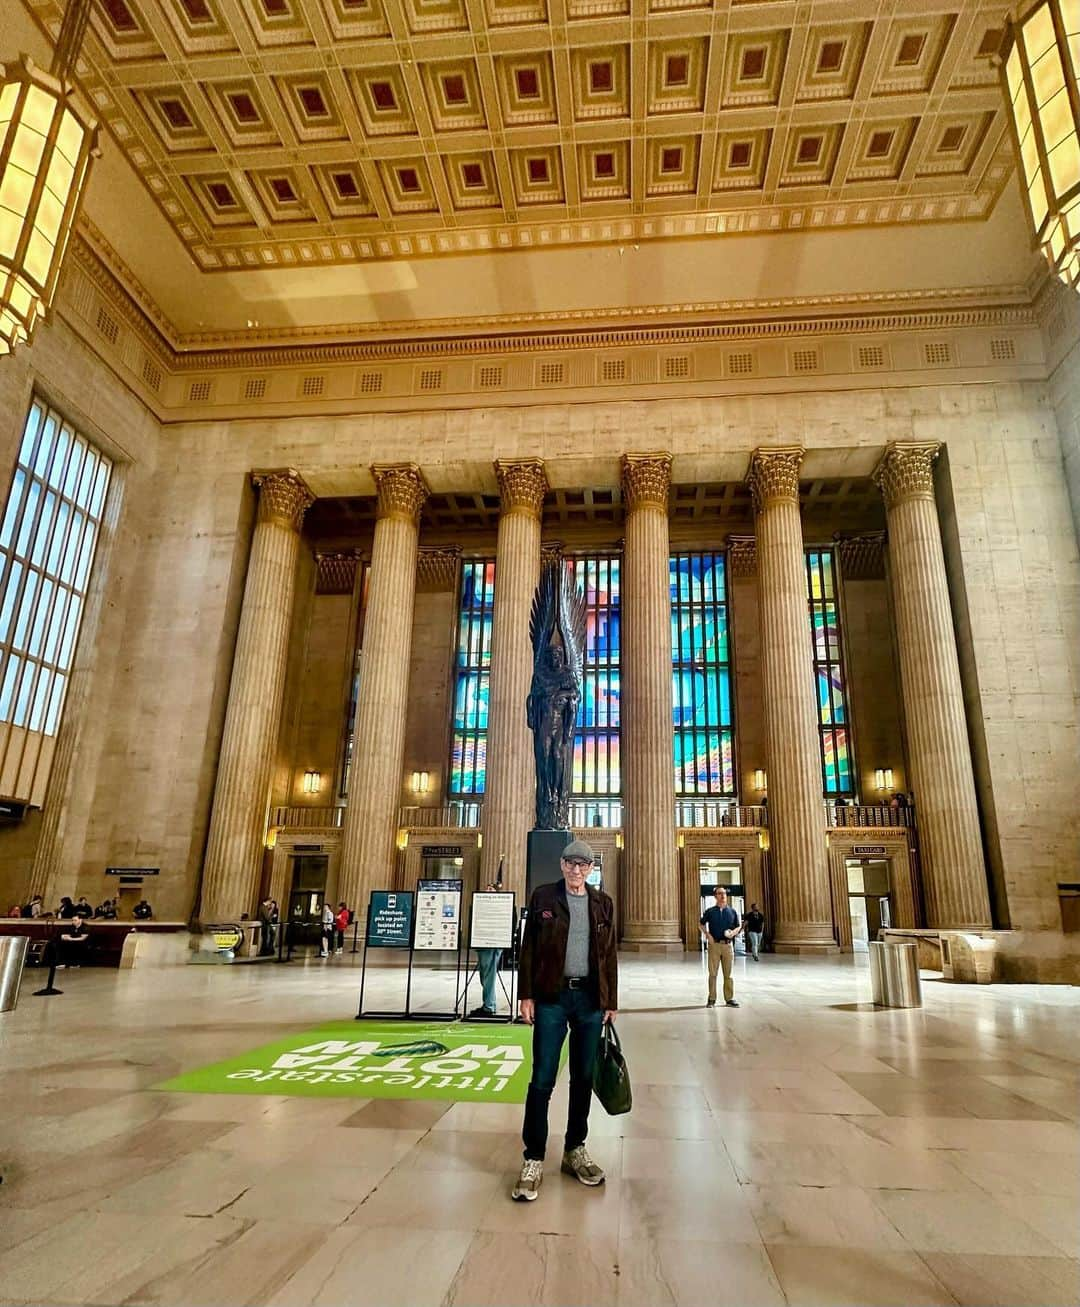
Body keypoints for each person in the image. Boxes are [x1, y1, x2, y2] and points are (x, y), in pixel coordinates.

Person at [512, 838, 617, 1204]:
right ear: (562, 865)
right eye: (571, 863)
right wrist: (526, 995)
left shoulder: (603, 904)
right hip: (551, 999)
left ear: (591, 869)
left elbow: (609, 956)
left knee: (583, 1077)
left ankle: (575, 1148)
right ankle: (534, 1157)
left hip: (589, 1000)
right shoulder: (543, 897)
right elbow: (528, 950)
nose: (576, 870)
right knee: (542, 1078)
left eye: (583, 865)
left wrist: (610, 1000)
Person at [700, 886, 741, 1008]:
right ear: (715, 896)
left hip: (728, 946)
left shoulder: (732, 911)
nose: (722, 895)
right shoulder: (710, 911)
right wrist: (707, 935)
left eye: (724, 893)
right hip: (715, 945)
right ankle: (711, 999)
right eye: (719, 893)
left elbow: (738, 926)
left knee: (728, 974)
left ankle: (729, 999)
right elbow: (701, 924)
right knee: (713, 973)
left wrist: (734, 932)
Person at [470, 882, 501, 1018]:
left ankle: (489, 1006)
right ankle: (488, 1003)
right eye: (486, 888)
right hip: (482, 943)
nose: (488, 890)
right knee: (485, 975)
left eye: (491, 889)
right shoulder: (481, 905)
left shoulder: (500, 906)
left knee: (489, 975)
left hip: (493, 944)